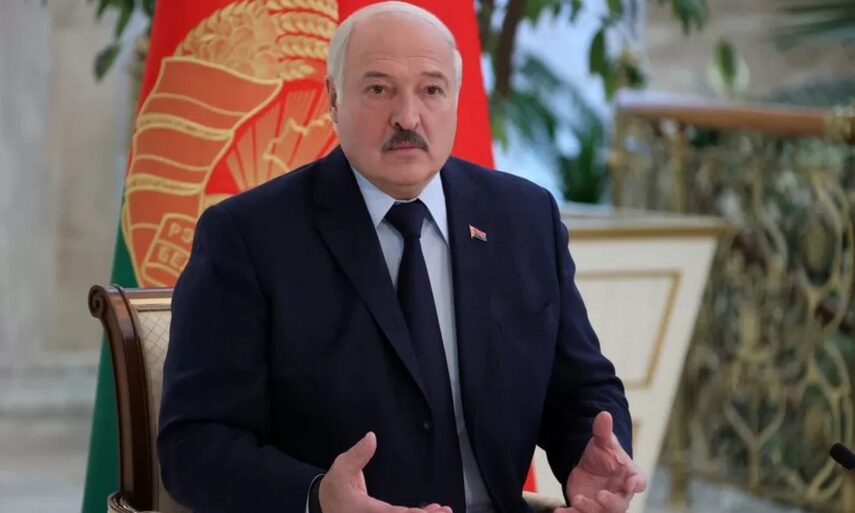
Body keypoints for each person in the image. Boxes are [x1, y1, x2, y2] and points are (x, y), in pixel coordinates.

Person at [157, 2, 647, 513]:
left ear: (456, 100)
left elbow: (581, 389)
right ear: (334, 99)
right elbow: (193, 444)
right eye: (379, 89)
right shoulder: (248, 237)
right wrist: (317, 497)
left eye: (431, 90)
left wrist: (587, 453)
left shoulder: (524, 218)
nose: (407, 117)